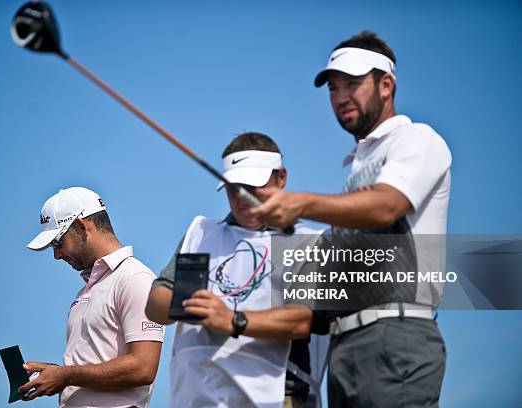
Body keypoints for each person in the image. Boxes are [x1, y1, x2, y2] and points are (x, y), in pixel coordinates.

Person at [250, 31, 451, 407]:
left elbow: (386, 206)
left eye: (353, 84)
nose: (341, 97)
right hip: (346, 349)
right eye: (333, 88)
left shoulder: (417, 140)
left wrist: (300, 204)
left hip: (396, 336)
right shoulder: (354, 172)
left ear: (386, 84)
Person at [145, 132, 328, 408]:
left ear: (281, 178)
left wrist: (232, 320)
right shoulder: (201, 232)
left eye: (253, 186)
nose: (242, 198)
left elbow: (301, 321)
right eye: (233, 188)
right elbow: (156, 302)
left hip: (278, 398)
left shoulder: (310, 240)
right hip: (197, 397)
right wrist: (188, 303)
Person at [22, 187, 164, 408]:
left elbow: (144, 367)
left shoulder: (135, 278)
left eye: (58, 243)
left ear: (80, 226)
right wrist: (58, 374)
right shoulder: (87, 291)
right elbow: (90, 366)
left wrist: (66, 375)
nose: (56, 255)